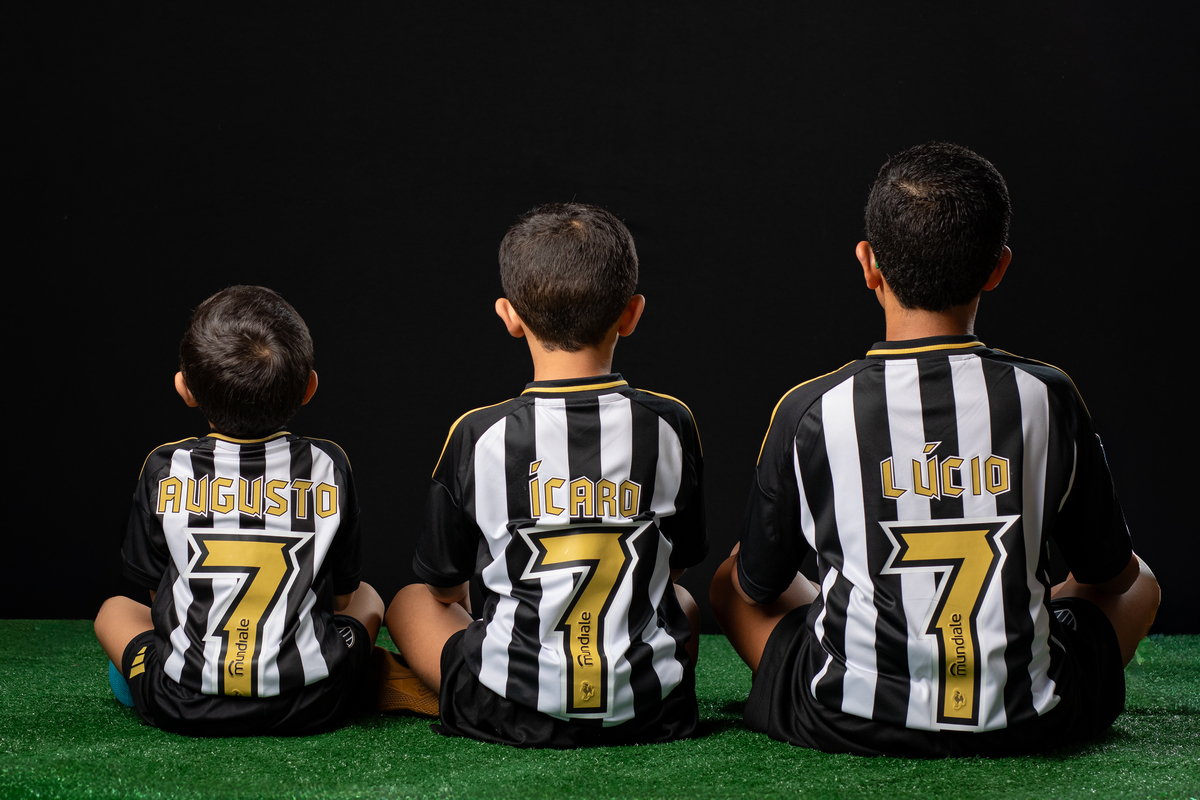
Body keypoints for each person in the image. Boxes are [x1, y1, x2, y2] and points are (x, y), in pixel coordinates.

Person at [709, 143, 1160, 757]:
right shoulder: (1046, 396)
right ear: (997, 269)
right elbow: (1115, 575)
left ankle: (863, 661)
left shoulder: (811, 408)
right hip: (1031, 718)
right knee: (1144, 584)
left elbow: (758, 588)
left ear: (869, 264)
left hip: (841, 718)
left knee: (730, 580)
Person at [384, 202, 707, 747]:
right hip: (654, 713)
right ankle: (626, 689)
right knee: (685, 601)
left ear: (509, 316)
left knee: (410, 600)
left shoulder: (477, 434)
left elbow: (442, 583)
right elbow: (676, 566)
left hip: (503, 711)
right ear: (631, 313)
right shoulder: (670, 423)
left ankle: (492, 674)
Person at [94, 285, 393, 736]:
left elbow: (156, 598)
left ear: (185, 388)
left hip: (184, 703)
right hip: (315, 702)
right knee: (370, 595)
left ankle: (149, 677)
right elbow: (344, 599)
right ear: (309, 387)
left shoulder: (164, 467)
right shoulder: (329, 464)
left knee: (114, 610)